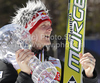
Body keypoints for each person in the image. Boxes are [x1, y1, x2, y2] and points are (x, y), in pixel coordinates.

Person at [0, 0, 98, 83]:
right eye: (43, 25)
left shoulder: (58, 64)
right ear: (27, 32)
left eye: (49, 25)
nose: (50, 29)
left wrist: (88, 75)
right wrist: (25, 74)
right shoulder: (8, 64)